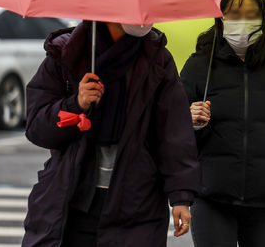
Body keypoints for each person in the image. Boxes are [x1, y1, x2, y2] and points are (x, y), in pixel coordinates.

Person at [22, 21, 200, 247]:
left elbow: (173, 132)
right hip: (71, 200)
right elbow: (37, 127)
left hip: (136, 205)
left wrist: (181, 197)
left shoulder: (158, 60)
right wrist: (76, 104)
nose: (144, 17)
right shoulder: (66, 55)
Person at [180, 0, 265, 247]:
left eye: (251, 14)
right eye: (234, 14)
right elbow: (173, 133)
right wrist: (190, 121)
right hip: (212, 196)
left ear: (263, 17)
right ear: (221, 17)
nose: (243, 21)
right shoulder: (198, 65)